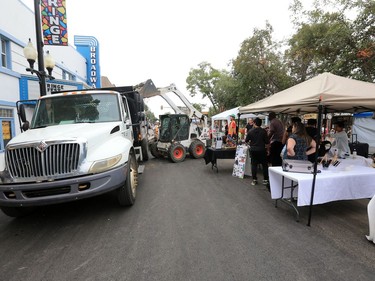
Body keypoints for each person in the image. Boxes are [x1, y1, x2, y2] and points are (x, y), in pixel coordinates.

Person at [245, 118, 270, 187]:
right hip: (262, 150)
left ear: (254, 123)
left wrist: (251, 142)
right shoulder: (263, 131)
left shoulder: (250, 131)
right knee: (264, 165)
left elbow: (246, 140)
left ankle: (254, 180)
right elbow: (267, 142)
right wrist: (268, 150)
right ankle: (265, 180)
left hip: (253, 150)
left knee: (254, 164)